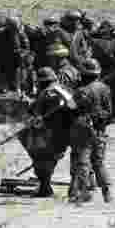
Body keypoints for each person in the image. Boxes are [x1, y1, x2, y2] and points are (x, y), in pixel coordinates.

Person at [20, 67, 76, 198]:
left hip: (50, 134)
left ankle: (45, 187)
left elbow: (35, 114)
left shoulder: (46, 93)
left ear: (42, 82)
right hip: (66, 134)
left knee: (40, 158)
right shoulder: (65, 90)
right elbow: (74, 106)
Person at [71, 58, 113, 202]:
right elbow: (109, 113)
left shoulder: (80, 91)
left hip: (84, 132)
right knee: (99, 162)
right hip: (100, 131)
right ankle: (107, 193)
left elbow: (72, 110)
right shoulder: (105, 88)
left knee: (83, 162)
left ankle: (82, 193)